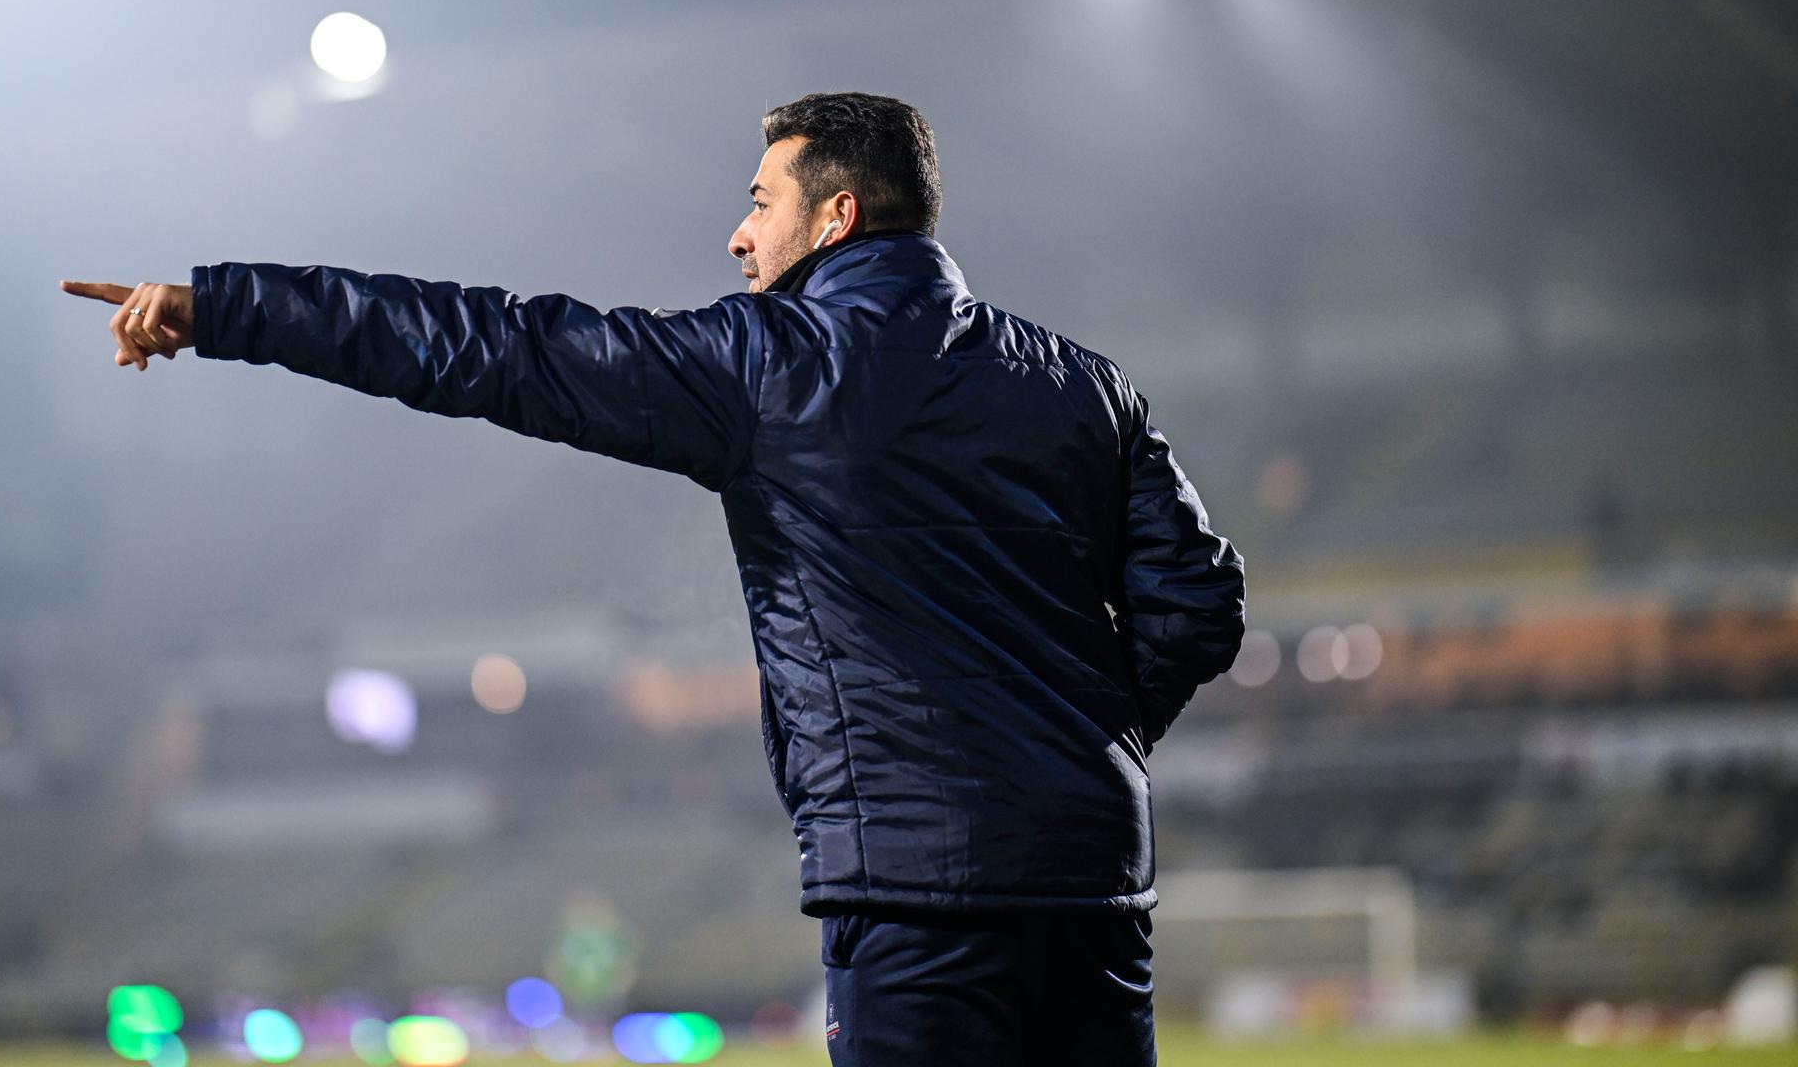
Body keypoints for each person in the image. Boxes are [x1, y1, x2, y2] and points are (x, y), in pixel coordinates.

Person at [61, 91, 1246, 1066]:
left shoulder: (766, 366)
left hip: (912, 890)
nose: (739, 235)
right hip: (1094, 883)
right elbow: (1198, 601)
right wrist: (1087, 742)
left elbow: (494, 346)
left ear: (836, 217)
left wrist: (231, 307)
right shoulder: (1084, 382)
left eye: (759, 204)